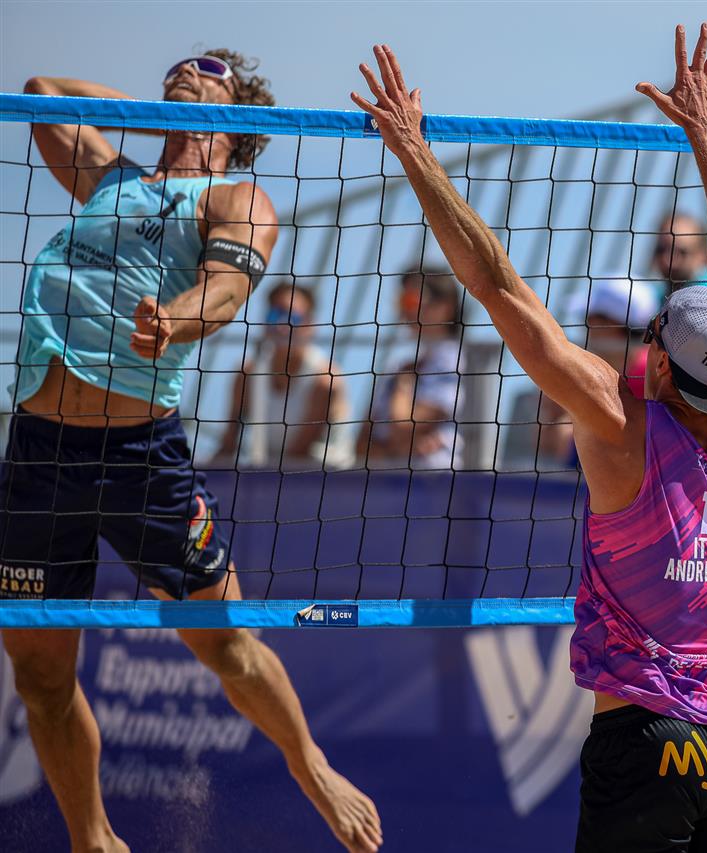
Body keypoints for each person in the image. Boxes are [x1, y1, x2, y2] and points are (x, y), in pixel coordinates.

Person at [352, 27, 707, 851]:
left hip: (647, 743)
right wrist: (706, 131)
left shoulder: (620, 424)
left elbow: (497, 286)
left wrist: (413, 151)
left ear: (659, 362)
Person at [3, 55, 381, 853]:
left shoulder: (234, 198)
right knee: (39, 674)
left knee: (226, 642)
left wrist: (176, 318)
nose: (186, 70)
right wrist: (160, 107)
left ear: (238, 120)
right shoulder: (111, 178)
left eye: (208, 72)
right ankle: (94, 840)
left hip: (141, 456)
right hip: (39, 453)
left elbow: (227, 289)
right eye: (177, 70)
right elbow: (42, 93)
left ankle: (310, 764)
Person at [217, 280, 351, 469]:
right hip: (272, 474)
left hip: (324, 478)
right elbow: (228, 444)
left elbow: (298, 454)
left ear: (310, 325)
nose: (282, 326)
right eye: (275, 316)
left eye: (292, 318)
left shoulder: (326, 380)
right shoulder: (246, 375)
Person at [537, 278, 659, 467]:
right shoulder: (599, 369)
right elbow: (543, 441)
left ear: (611, 324)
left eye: (590, 318)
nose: (586, 326)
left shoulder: (650, 373)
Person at [358, 268, 465, 470]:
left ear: (445, 306)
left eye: (412, 300)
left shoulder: (456, 362)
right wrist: (397, 450)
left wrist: (403, 386)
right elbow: (361, 444)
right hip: (387, 480)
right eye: (402, 300)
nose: (404, 309)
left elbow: (403, 424)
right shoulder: (400, 366)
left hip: (435, 481)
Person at [651, 212, 707, 294]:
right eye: (661, 250)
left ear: (703, 256)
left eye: (680, 252)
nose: (667, 261)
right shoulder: (658, 294)